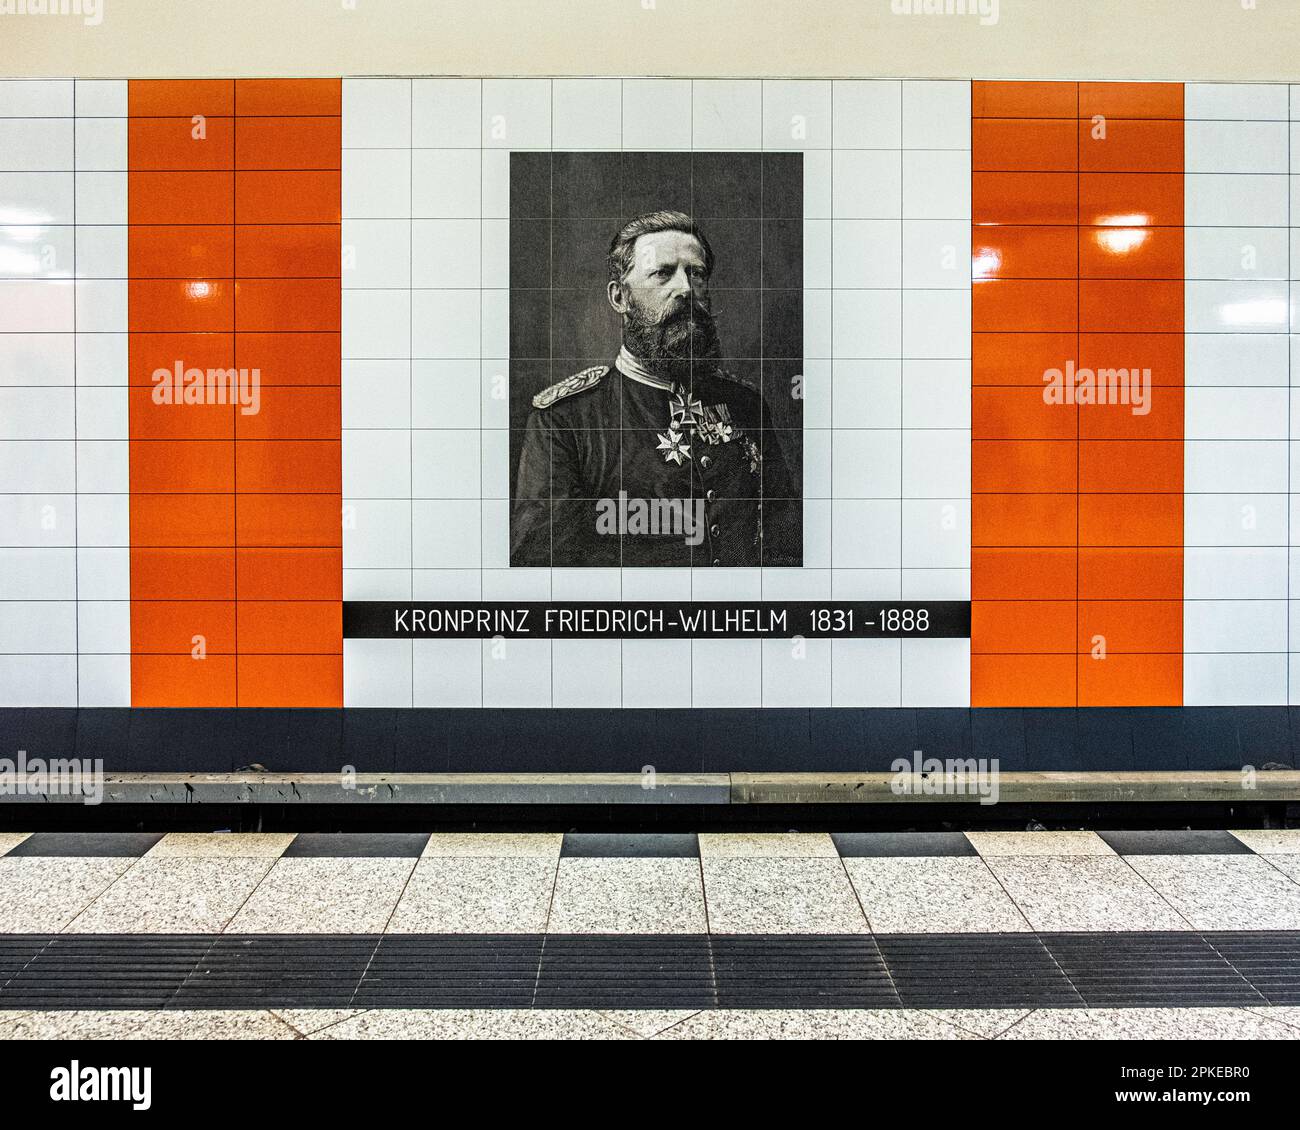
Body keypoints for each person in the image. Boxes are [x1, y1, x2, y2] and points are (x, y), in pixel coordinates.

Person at [510, 209, 798, 567]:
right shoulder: (565, 420)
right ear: (620, 297)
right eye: (663, 274)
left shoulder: (745, 405)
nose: (685, 289)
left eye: (696, 274)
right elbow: (544, 569)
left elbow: (787, 546)